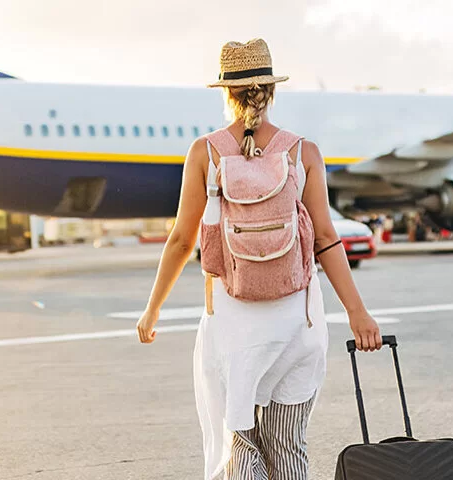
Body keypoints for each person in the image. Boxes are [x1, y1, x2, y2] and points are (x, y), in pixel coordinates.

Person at [134, 38, 381, 480]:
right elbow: (326, 239)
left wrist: (153, 309)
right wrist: (358, 313)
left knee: (241, 447)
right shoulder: (303, 152)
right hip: (298, 325)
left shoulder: (205, 153)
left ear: (226, 93)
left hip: (233, 330)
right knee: (287, 445)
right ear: (271, 90)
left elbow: (180, 241)